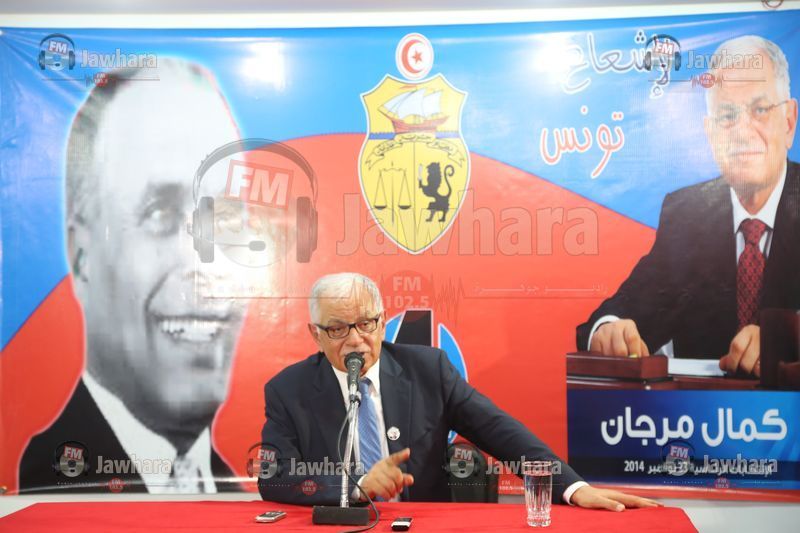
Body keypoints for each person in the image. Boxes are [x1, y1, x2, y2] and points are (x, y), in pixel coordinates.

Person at [19, 59, 247, 493]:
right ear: (81, 255)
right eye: (160, 212)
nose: (206, 261)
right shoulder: (46, 487)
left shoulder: (241, 492)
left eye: (226, 218)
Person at [258, 272, 659, 511]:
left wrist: (574, 488)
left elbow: (501, 433)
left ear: (382, 322)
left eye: (365, 324)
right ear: (315, 334)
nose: (355, 340)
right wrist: (355, 487)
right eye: (337, 328)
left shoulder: (428, 370)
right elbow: (275, 478)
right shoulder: (288, 390)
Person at [577, 35, 800, 378]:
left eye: (759, 110)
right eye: (727, 116)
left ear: (788, 122)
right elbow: (635, 303)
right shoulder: (687, 214)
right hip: (701, 411)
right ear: (710, 134)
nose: (742, 132)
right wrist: (609, 329)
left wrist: (786, 337)